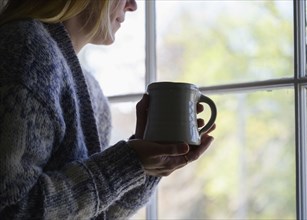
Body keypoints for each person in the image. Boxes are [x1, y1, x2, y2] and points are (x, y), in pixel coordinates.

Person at [0, 0, 216, 219]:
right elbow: (10, 209)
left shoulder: (93, 92)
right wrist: (127, 163)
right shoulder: (25, 50)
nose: (133, 5)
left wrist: (145, 167)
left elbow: (98, 214)